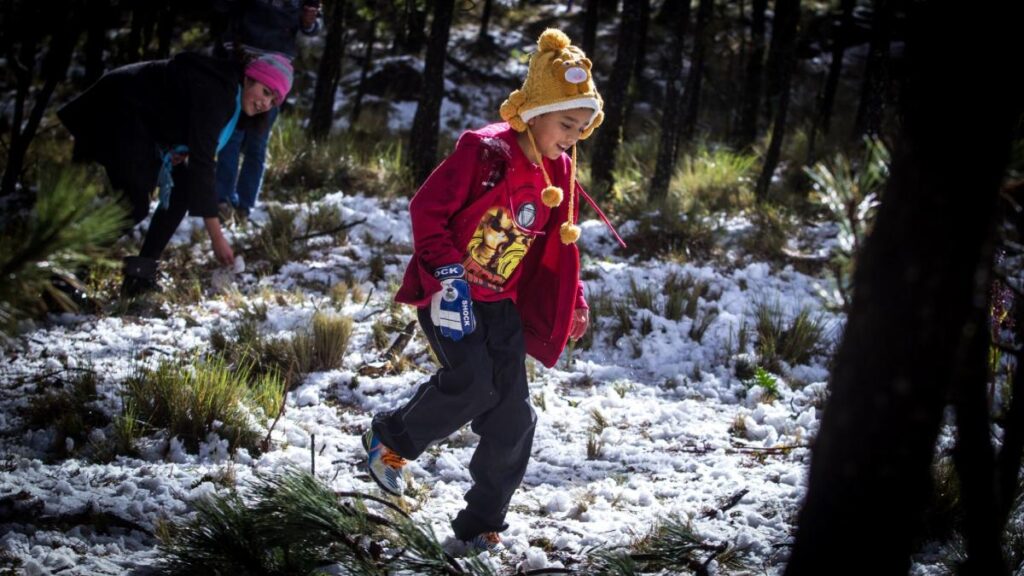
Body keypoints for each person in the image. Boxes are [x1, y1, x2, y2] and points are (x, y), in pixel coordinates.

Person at [362, 29, 625, 553]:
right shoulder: (485, 152)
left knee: (514, 416)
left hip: (501, 305)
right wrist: (446, 275)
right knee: (473, 385)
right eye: (565, 124)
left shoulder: (561, 170)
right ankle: (390, 441)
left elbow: (558, 245)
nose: (572, 137)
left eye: (581, 128)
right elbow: (426, 210)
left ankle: (481, 523)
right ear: (534, 112)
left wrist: (574, 299)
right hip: (452, 297)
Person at [57, 51, 293, 295]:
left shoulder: (232, 97)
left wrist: (179, 147)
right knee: (133, 204)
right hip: (114, 109)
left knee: (183, 191)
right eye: (266, 92)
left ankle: (141, 275)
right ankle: (65, 271)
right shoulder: (220, 90)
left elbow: (189, 130)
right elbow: (203, 164)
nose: (266, 104)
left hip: (140, 124)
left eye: (273, 101)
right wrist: (216, 237)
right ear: (250, 78)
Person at [212, 0, 321, 223]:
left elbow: (313, 26)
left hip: (274, 71)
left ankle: (243, 207)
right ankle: (222, 201)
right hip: (239, 62)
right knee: (231, 134)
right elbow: (221, 7)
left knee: (257, 141)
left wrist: (310, 21)